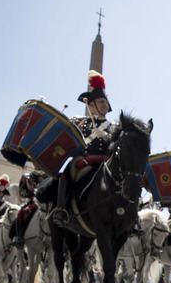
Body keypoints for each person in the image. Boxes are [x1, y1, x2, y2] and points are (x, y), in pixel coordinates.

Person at [50, 70, 119, 227]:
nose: (105, 104)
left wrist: (108, 137)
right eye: (101, 102)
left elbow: (119, 148)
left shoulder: (114, 127)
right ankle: (61, 209)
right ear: (91, 105)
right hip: (86, 158)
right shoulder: (80, 122)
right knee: (68, 170)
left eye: (105, 102)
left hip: (107, 160)